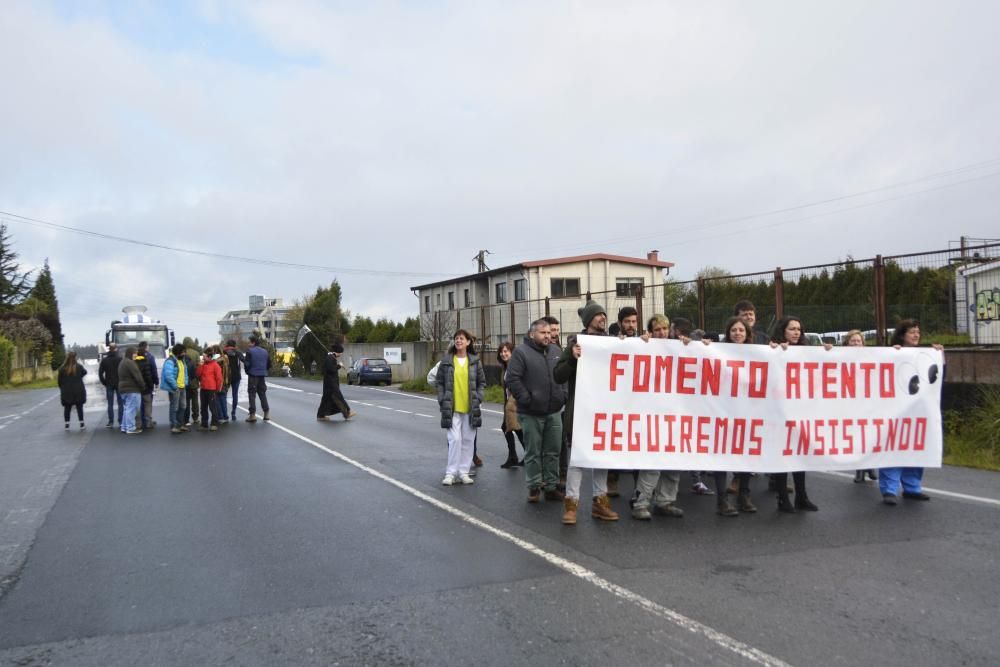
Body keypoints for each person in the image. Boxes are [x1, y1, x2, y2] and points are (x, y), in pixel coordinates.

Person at [552, 302, 618, 524]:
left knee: (601, 458)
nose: (602, 318)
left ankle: (600, 503)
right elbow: (558, 375)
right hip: (580, 411)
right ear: (588, 320)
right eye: (598, 315)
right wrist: (571, 357)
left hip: (605, 410)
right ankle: (571, 506)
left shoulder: (612, 343)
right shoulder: (575, 344)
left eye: (603, 314)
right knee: (577, 460)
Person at [630, 314, 690, 521]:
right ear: (650, 332)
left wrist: (697, 346)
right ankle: (641, 503)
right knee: (653, 463)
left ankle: (665, 501)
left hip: (676, 415)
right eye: (657, 330)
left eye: (665, 329)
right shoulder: (643, 347)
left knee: (674, 463)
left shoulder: (680, 348)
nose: (662, 333)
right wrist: (640, 343)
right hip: (653, 415)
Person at [879, 320, 943, 505]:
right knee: (892, 449)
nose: (916, 335)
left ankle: (912, 487)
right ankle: (889, 489)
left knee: (915, 448)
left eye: (918, 332)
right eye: (912, 332)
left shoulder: (924, 355)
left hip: (917, 413)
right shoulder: (892, 353)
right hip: (894, 412)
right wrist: (892, 355)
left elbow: (936, 378)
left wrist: (939, 356)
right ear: (901, 335)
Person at [506, 318, 567, 504]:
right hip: (531, 412)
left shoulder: (556, 351)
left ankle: (551, 486)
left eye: (549, 333)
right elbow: (513, 379)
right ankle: (534, 487)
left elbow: (563, 375)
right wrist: (527, 399)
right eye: (543, 333)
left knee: (553, 451)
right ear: (532, 334)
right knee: (533, 451)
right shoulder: (521, 353)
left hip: (554, 411)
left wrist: (563, 395)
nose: (548, 336)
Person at [770, 316, 820, 513]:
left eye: (799, 329)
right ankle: (782, 498)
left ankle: (802, 496)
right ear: (783, 331)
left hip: (800, 412)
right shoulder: (772, 350)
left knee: (800, 455)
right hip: (779, 413)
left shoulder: (806, 352)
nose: (796, 332)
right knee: (783, 456)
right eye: (792, 329)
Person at [711, 316, 757, 515]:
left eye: (741, 330)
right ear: (728, 334)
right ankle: (722, 501)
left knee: (746, 455)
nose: (738, 333)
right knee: (721, 456)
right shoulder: (717, 352)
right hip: (722, 412)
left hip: (746, 412)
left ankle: (744, 495)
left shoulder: (758, 354)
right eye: (734, 330)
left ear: (747, 334)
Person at [436, 330, 486, 485]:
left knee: (468, 440)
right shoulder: (447, 361)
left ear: (468, 342)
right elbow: (439, 382)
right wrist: (442, 398)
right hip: (452, 407)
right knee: (455, 439)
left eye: (462, 338)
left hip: (470, 407)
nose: (458, 341)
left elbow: (482, 382)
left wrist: (479, 397)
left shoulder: (475, 361)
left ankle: (463, 472)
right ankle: (451, 473)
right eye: (456, 338)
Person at [842, 330, 879, 484]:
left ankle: (867, 465)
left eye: (859, 341)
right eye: (853, 341)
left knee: (869, 436)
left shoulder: (871, 357)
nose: (856, 344)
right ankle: (860, 469)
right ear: (847, 344)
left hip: (868, 403)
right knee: (857, 437)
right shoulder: (840, 358)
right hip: (850, 403)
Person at [497, 341, 525, 469]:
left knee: (513, 428)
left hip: (516, 403)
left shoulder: (516, 366)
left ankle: (515, 456)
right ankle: (516, 455)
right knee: (512, 428)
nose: (503, 354)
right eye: (501, 352)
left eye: (506, 351)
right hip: (508, 403)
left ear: (512, 353)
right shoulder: (505, 367)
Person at [317, 343, 356, 421]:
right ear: (338, 352)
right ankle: (347, 412)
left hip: (329, 383)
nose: (341, 354)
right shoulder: (330, 358)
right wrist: (339, 366)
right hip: (331, 383)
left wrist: (338, 365)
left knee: (326, 399)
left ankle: (321, 415)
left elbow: (329, 368)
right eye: (341, 352)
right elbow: (330, 370)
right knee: (339, 398)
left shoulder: (331, 358)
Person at [160, 343, 189, 434]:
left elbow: (185, 373)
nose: (184, 354)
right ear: (178, 352)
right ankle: (174, 425)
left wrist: (185, 382)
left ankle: (180, 424)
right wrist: (175, 386)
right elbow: (168, 375)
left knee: (183, 406)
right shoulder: (170, 361)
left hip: (182, 387)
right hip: (175, 388)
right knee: (174, 407)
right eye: (183, 352)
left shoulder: (182, 360)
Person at [117, 346, 146, 435]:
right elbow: (138, 376)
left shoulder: (122, 362)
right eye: (135, 353)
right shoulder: (130, 363)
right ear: (130, 353)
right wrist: (143, 386)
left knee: (127, 408)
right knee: (132, 409)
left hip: (123, 389)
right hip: (132, 389)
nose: (136, 355)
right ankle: (131, 428)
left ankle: (124, 427)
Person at [57, 351, 88, 430]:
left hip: (67, 391)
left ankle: (67, 425)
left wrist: (62, 387)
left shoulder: (62, 369)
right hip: (78, 390)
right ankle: (82, 423)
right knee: (79, 407)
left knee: (67, 408)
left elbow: (59, 381)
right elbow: (85, 372)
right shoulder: (79, 367)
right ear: (75, 358)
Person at [244, 335, 271, 422]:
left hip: (253, 375)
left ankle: (252, 415)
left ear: (253, 343)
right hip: (262, 375)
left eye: (249, 342)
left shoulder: (250, 351)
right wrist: (263, 370)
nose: (248, 344)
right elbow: (269, 364)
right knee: (262, 393)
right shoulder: (265, 351)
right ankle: (266, 413)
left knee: (252, 394)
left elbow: (247, 364)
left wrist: (247, 371)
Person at [196, 348, 222, 431]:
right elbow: (198, 375)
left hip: (212, 389)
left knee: (212, 407)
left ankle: (214, 423)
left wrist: (217, 389)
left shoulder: (215, 365)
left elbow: (219, 378)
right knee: (203, 407)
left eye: (204, 357)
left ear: (210, 357)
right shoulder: (203, 364)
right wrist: (200, 365)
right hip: (203, 388)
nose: (203, 358)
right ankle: (204, 424)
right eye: (203, 356)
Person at [134, 341, 158, 430]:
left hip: (136, 387)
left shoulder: (134, 360)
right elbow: (153, 371)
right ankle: (148, 421)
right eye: (148, 346)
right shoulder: (149, 358)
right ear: (145, 348)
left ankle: (139, 423)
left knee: (138, 405)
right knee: (148, 404)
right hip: (147, 387)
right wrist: (155, 382)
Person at [98, 343, 123, 428]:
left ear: (109, 349)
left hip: (109, 383)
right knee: (121, 403)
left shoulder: (105, 360)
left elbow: (100, 373)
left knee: (110, 403)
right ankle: (121, 421)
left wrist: (104, 382)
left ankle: (111, 421)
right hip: (119, 383)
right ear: (116, 349)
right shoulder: (120, 359)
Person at [224, 340, 244, 421]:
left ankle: (224, 413)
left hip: (226, 377)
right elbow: (244, 360)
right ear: (234, 345)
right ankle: (233, 413)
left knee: (223, 395)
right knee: (235, 395)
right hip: (236, 376)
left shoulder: (224, 352)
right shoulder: (238, 352)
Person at [183, 348, 200, 427]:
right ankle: (195, 417)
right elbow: (198, 367)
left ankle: (186, 419)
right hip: (194, 382)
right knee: (195, 401)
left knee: (186, 401)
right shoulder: (196, 353)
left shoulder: (182, 358)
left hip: (185, 383)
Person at [214, 344, 231, 423]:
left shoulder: (217, 361)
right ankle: (225, 417)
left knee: (217, 400)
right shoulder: (226, 358)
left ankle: (220, 417)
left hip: (219, 382)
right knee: (223, 400)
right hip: (226, 382)